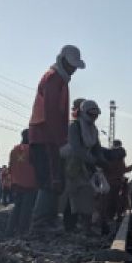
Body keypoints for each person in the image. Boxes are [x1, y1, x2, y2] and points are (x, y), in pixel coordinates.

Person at [29, 45, 84, 236]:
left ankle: (48, 220)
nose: (73, 70)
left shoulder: (58, 78)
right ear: (62, 61)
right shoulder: (54, 78)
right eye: (71, 66)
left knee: (55, 178)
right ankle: (41, 222)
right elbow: (51, 112)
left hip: (47, 135)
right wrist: (61, 142)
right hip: (45, 136)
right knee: (50, 179)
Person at [61, 99, 104, 234]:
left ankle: (86, 227)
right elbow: (76, 147)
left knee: (87, 196)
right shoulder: (75, 126)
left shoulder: (93, 130)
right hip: (72, 164)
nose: (94, 117)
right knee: (72, 196)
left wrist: (103, 159)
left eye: (96, 115)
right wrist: (92, 160)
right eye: (91, 114)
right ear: (84, 113)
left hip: (86, 167)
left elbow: (97, 148)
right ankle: (70, 226)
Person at [6, 130, 36, 235]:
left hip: (16, 182)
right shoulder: (32, 150)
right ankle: (22, 231)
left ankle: (9, 230)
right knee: (26, 208)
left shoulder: (14, 150)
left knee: (17, 207)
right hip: (30, 183)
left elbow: (10, 166)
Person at [101, 140, 132, 225]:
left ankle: (108, 218)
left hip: (108, 183)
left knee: (109, 201)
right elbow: (124, 170)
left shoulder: (108, 156)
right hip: (116, 182)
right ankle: (115, 216)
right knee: (117, 200)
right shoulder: (120, 158)